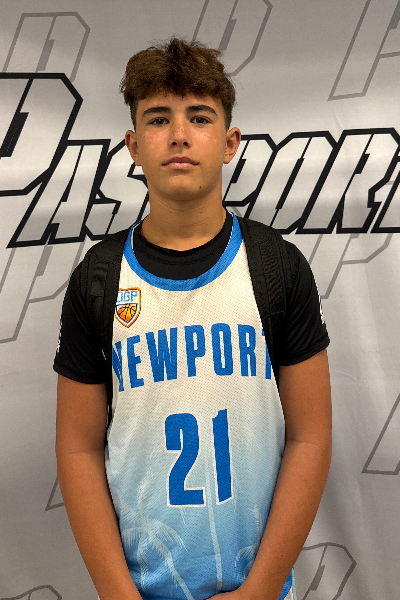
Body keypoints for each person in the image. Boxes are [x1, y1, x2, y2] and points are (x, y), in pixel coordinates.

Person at [54, 38, 331, 600]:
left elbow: (311, 437)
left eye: (199, 117)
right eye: (159, 118)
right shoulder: (99, 279)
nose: (179, 134)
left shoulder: (276, 267)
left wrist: (258, 592)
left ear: (229, 143)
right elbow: (78, 449)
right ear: (134, 145)